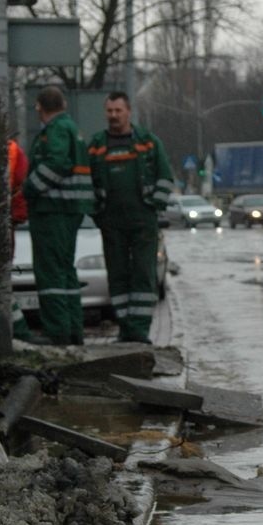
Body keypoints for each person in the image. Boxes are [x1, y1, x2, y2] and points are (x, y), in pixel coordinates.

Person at [88, 92, 173, 343]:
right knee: (117, 275)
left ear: (129, 112)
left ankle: (140, 330)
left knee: (143, 274)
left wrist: (153, 205)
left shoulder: (148, 143)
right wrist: (96, 212)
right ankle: (125, 328)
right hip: (111, 222)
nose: (114, 116)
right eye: (110, 111)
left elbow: (165, 177)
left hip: (142, 221)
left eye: (118, 111)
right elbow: (86, 180)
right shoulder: (96, 146)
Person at [23, 87, 94, 346]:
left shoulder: (55, 131)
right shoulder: (70, 128)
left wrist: (29, 188)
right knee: (65, 272)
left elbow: (56, 163)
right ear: (63, 104)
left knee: (50, 272)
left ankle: (57, 333)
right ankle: (72, 331)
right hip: (69, 210)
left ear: (39, 107)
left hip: (53, 210)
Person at [7, 134, 32, 340]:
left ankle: (20, 331)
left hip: (4, 222)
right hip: (8, 221)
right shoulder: (14, 151)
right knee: (3, 282)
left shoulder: (11, 152)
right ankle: (20, 330)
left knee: (1, 282)